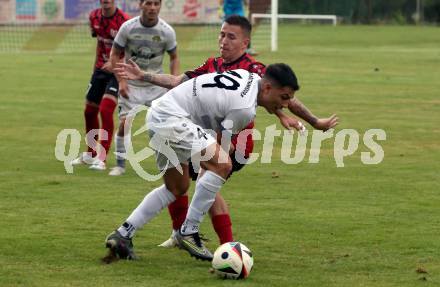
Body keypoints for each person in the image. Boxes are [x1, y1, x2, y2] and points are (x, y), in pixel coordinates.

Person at [114, 15, 338, 249]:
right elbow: (178, 81)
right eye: (222, 34)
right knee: (188, 183)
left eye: (231, 36)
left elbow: (279, 97)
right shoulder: (213, 65)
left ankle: (212, 243)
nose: (223, 41)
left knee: (205, 179)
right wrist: (145, 76)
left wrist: (303, 118)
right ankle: (191, 236)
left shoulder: (255, 70)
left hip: (230, 140)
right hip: (195, 129)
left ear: (245, 43)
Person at [104, 63, 301, 262]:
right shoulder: (245, 110)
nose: (285, 105)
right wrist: (219, 155)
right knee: (223, 164)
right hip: (174, 118)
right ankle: (189, 231)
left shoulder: (247, 75)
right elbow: (219, 158)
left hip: (158, 114)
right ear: (267, 88)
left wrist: (217, 151)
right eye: (284, 97)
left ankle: (122, 234)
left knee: (176, 188)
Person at [92, 0, 180, 174]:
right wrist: (122, 81)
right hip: (131, 85)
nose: (152, 8)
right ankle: (120, 165)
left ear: (160, 6)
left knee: (166, 125)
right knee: (125, 124)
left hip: (156, 85)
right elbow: (115, 54)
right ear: (140, 5)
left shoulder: (167, 31)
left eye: (156, 4)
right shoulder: (128, 27)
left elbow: (174, 57)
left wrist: (174, 82)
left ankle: (169, 163)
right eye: (148, 3)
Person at [71, 0, 130, 168]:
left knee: (105, 110)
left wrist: (119, 71)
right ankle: (90, 154)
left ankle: (101, 159)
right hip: (100, 70)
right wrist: (94, 70)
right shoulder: (94, 16)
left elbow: (129, 50)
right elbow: (100, 43)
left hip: (117, 71)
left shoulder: (124, 21)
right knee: (89, 111)